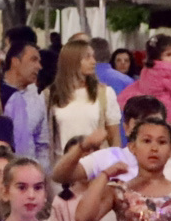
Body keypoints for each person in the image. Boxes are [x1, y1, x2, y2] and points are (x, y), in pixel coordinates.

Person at [45, 38, 121, 185]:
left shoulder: (104, 93)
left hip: (95, 168)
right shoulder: (49, 95)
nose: (93, 61)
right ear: (72, 61)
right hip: (63, 168)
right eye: (87, 57)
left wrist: (116, 171)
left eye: (93, 57)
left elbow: (114, 139)